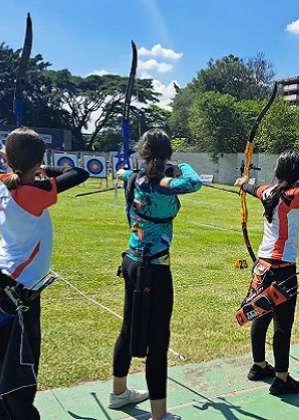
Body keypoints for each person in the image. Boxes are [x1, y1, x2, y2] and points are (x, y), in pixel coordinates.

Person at [0, 128, 89, 419]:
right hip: (20, 289)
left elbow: (18, 173)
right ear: (38, 160)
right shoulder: (31, 194)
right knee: (20, 363)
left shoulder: (4, 184)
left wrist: (29, 167)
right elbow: (77, 172)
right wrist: (42, 169)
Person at [110, 129, 201, 420]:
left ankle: (119, 392)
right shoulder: (164, 183)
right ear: (167, 154)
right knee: (158, 340)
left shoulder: (133, 178)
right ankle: (159, 415)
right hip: (156, 269)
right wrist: (178, 165)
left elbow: (119, 170)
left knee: (128, 328)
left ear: (143, 151)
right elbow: (194, 182)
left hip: (132, 263)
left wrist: (132, 164)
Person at [237, 151, 299, 396]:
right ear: (297, 173)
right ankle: (281, 379)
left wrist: (244, 183)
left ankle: (259, 366)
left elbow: (253, 188)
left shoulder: (268, 191)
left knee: (261, 314)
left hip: (262, 266)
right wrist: (298, 185)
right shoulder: (293, 195)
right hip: (282, 270)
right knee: (283, 324)